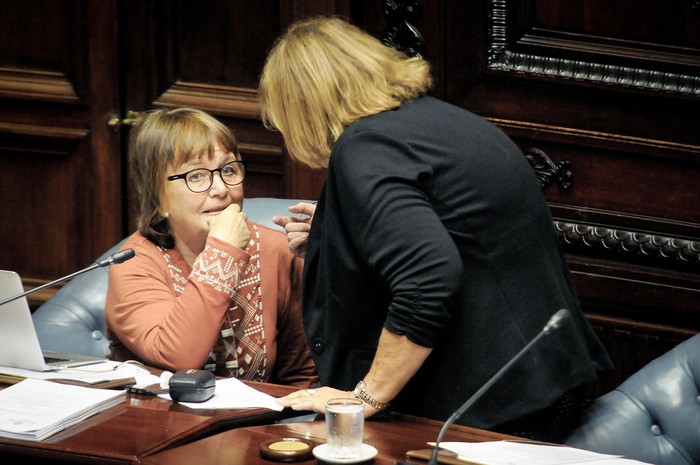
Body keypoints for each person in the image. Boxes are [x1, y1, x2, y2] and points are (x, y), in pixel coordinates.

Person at [259, 16, 613, 441]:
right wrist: (338, 236)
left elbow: (428, 277)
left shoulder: (366, 147)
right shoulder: (443, 123)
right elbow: (459, 230)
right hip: (542, 378)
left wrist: (366, 398)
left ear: (300, 107)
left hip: (488, 404)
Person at [105, 107, 317, 388]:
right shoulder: (134, 263)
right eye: (196, 176)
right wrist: (222, 253)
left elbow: (301, 377)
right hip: (155, 421)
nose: (220, 188)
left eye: (228, 170)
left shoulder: (276, 250)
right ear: (157, 197)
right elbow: (178, 357)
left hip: (254, 425)